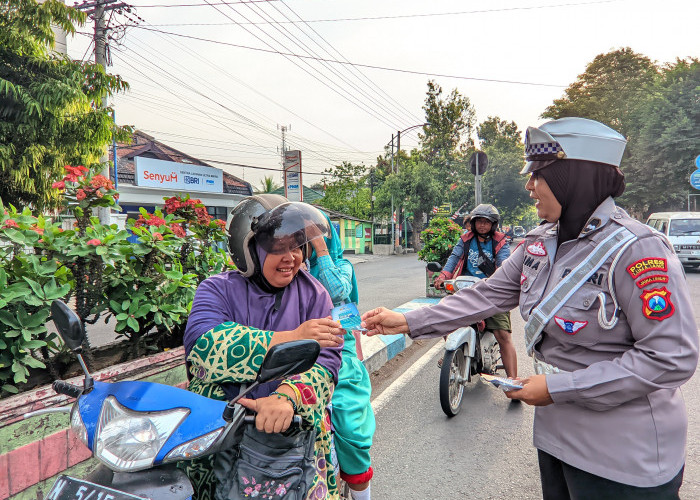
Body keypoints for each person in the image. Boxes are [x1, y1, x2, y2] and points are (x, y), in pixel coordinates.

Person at [361, 117, 699, 499]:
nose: (529, 187)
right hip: (556, 439)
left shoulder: (637, 250)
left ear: (574, 177)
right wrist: (407, 320)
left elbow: (671, 357)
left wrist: (558, 387)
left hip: (624, 455)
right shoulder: (539, 244)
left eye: (538, 175)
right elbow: (484, 295)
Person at [182, 194, 345, 500]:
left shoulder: (315, 295)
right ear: (248, 250)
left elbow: (327, 362)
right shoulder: (216, 289)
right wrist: (292, 337)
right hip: (220, 435)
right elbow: (203, 346)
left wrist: (286, 398)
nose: (291, 257)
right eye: (276, 247)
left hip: (296, 434)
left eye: (296, 245)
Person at [307, 212, 375, 500]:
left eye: (316, 233)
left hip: (338, 348)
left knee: (350, 421)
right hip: (299, 349)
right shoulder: (289, 266)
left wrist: (321, 249)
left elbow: (336, 291)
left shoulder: (342, 264)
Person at [433, 204, 518, 378]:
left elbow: (504, 264)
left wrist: (502, 281)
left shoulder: (500, 241)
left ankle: (513, 381)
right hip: (467, 289)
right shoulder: (465, 239)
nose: (482, 225)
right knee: (446, 318)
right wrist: (443, 276)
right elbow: (454, 258)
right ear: (473, 222)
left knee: (503, 335)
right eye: (479, 221)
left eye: (486, 222)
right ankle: (452, 351)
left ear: (493, 224)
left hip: (493, 291)